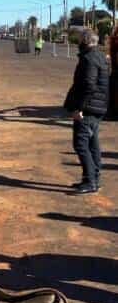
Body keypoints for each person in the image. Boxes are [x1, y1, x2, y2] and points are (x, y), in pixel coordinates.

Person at [64, 29, 108, 193]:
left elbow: (89, 85)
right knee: (92, 144)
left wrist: (80, 108)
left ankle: (90, 181)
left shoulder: (89, 58)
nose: (78, 42)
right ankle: (93, 179)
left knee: (81, 144)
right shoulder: (100, 56)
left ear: (86, 40)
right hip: (98, 106)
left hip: (88, 108)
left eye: (80, 39)